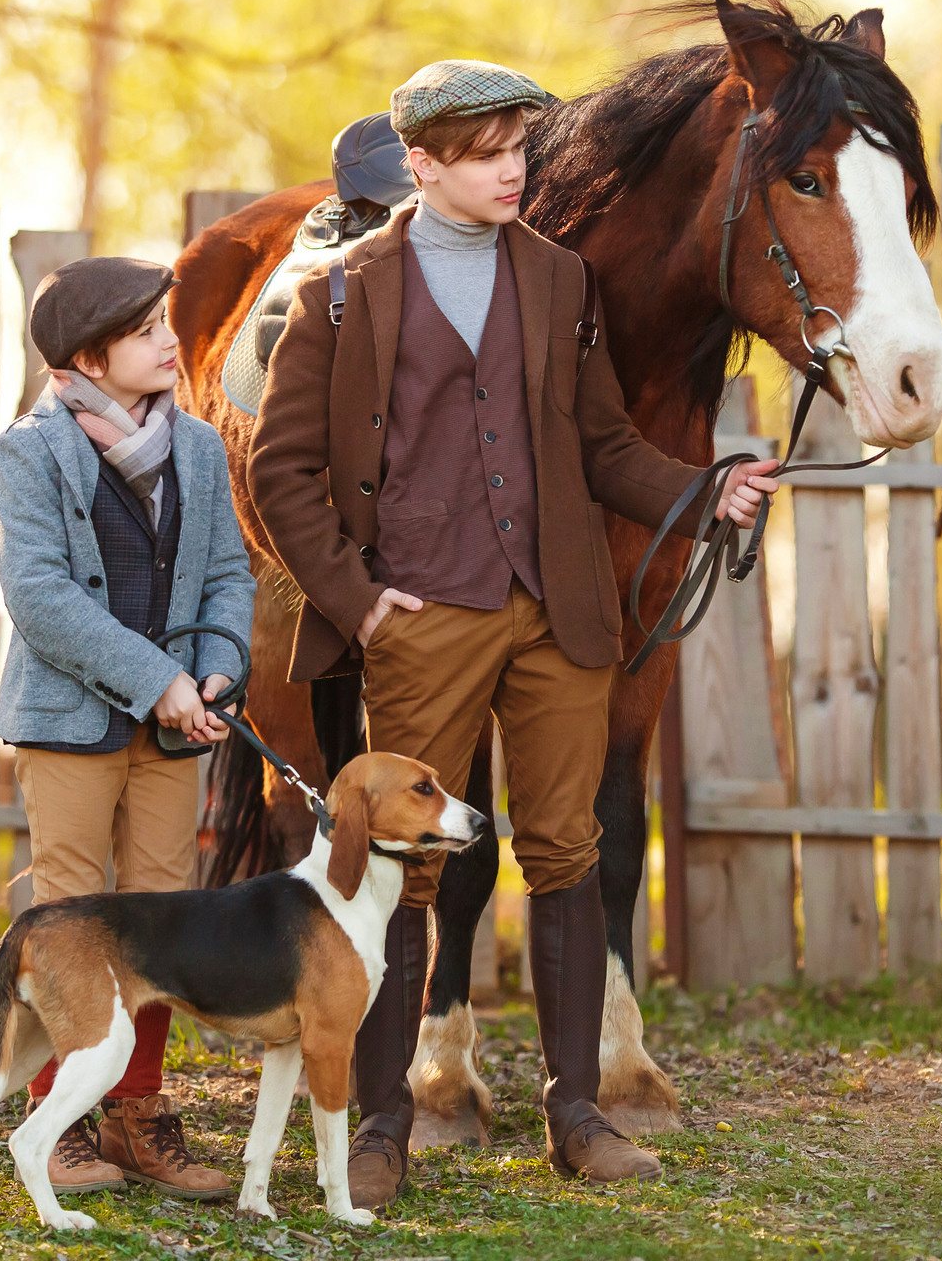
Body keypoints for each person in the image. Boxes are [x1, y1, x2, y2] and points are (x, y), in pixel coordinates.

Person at [247, 60, 779, 1207]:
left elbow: (601, 447)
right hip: (422, 616)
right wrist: (353, 596)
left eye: (520, 150)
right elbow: (277, 469)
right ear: (422, 164)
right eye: (486, 153)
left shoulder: (560, 281)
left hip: (554, 612)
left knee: (569, 856)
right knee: (410, 869)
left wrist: (704, 490)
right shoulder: (343, 290)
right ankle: (386, 1122)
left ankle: (574, 1111)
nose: (512, 171)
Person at [0, 255, 255, 1202]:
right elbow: (42, 599)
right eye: (147, 333)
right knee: (70, 922)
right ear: (90, 358)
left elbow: (230, 572)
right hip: (68, 722)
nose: (170, 342)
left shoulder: (196, 448)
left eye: (166, 325)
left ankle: (137, 1119)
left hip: (179, 726)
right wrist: (159, 682)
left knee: (162, 920)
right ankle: (54, 1117)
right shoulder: (29, 448)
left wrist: (219, 666)